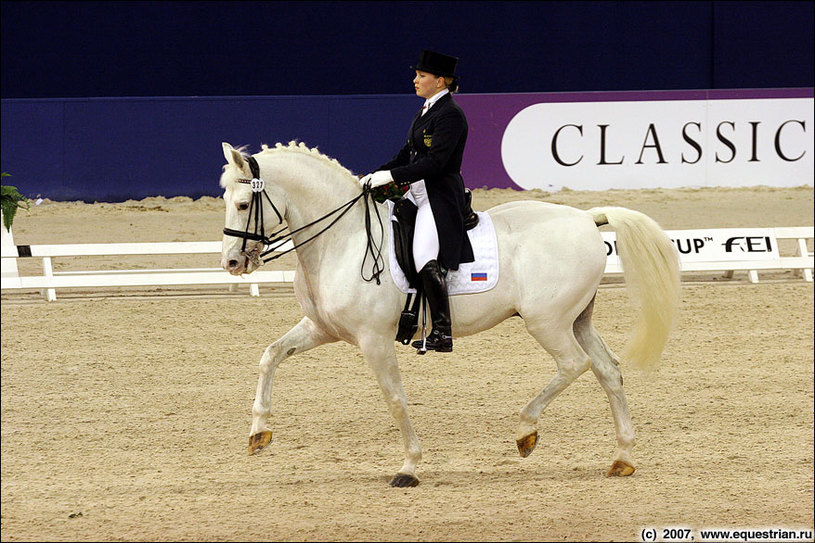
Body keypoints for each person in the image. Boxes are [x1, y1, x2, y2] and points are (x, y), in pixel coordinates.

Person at [360, 49, 474, 353]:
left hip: (439, 197)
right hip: (416, 194)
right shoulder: (426, 110)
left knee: (425, 257)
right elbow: (406, 155)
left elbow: (436, 163)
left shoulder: (450, 114)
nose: (415, 80)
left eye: (421, 75)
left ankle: (441, 331)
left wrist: (392, 177)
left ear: (440, 81)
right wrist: (376, 174)